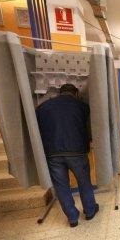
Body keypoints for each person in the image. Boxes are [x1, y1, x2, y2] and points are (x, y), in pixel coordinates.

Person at [36, 84, 99, 227]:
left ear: (60, 93)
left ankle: (72, 218)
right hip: (77, 151)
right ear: (75, 93)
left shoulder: (43, 108)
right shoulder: (81, 106)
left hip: (53, 153)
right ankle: (89, 211)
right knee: (84, 183)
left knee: (62, 186)